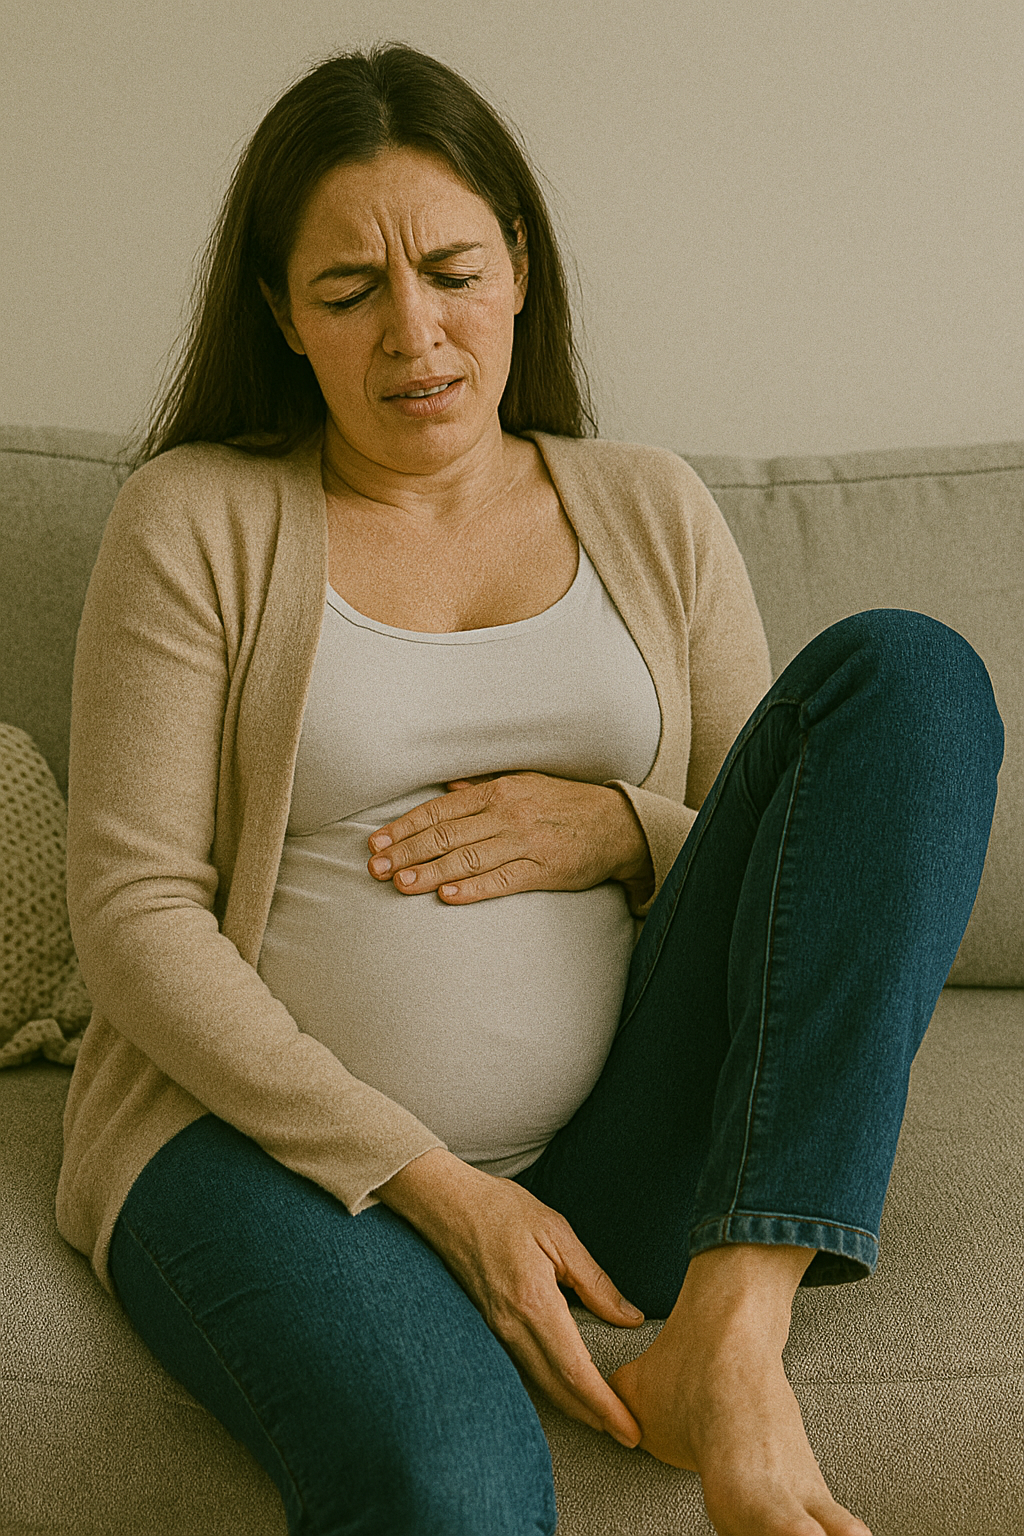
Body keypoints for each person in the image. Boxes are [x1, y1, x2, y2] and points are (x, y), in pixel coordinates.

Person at [60, 42, 1003, 1536]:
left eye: (450, 269)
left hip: (615, 1156)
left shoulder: (650, 506)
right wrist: (441, 1184)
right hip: (270, 1158)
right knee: (452, 1489)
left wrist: (626, 830)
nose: (414, 336)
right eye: (348, 291)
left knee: (912, 675)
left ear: (518, 265)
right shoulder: (195, 521)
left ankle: (733, 1339)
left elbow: (805, 868)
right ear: (280, 317)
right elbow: (132, 914)